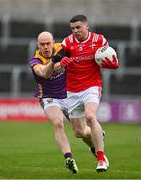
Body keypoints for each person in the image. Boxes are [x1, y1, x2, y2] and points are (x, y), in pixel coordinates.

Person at [52, 15, 119, 172]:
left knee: (90, 116)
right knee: (79, 133)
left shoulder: (99, 40)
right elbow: (54, 65)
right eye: (73, 28)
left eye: (78, 28)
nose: (75, 31)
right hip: (72, 90)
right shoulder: (67, 43)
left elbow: (110, 59)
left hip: (92, 86)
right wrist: (61, 64)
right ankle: (96, 139)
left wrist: (113, 64)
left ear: (86, 26)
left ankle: (101, 158)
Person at [28, 31, 78, 174]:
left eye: (48, 43)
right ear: (38, 45)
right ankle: (69, 158)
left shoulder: (62, 48)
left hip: (68, 95)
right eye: (42, 44)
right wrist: (55, 61)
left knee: (81, 132)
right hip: (49, 97)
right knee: (58, 123)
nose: (45, 47)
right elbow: (44, 73)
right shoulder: (35, 61)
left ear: (53, 42)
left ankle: (94, 147)